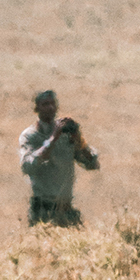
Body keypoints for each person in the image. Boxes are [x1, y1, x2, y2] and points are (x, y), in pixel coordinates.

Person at [18, 89, 100, 226]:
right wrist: (52, 139)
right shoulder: (31, 136)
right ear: (36, 108)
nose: (50, 108)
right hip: (43, 209)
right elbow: (27, 166)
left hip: (65, 206)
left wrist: (78, 138)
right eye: (45, 104)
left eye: (52, 104)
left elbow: (92, 164)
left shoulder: (65, 134)